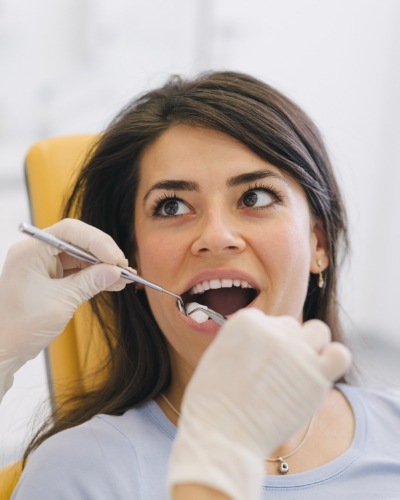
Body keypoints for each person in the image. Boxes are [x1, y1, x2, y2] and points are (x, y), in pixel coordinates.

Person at [1, 70, 398, 498]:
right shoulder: (79, 472)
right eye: (172, 206)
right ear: (132, 261)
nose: (215, 237)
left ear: (318, 242)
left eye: (256, 197)